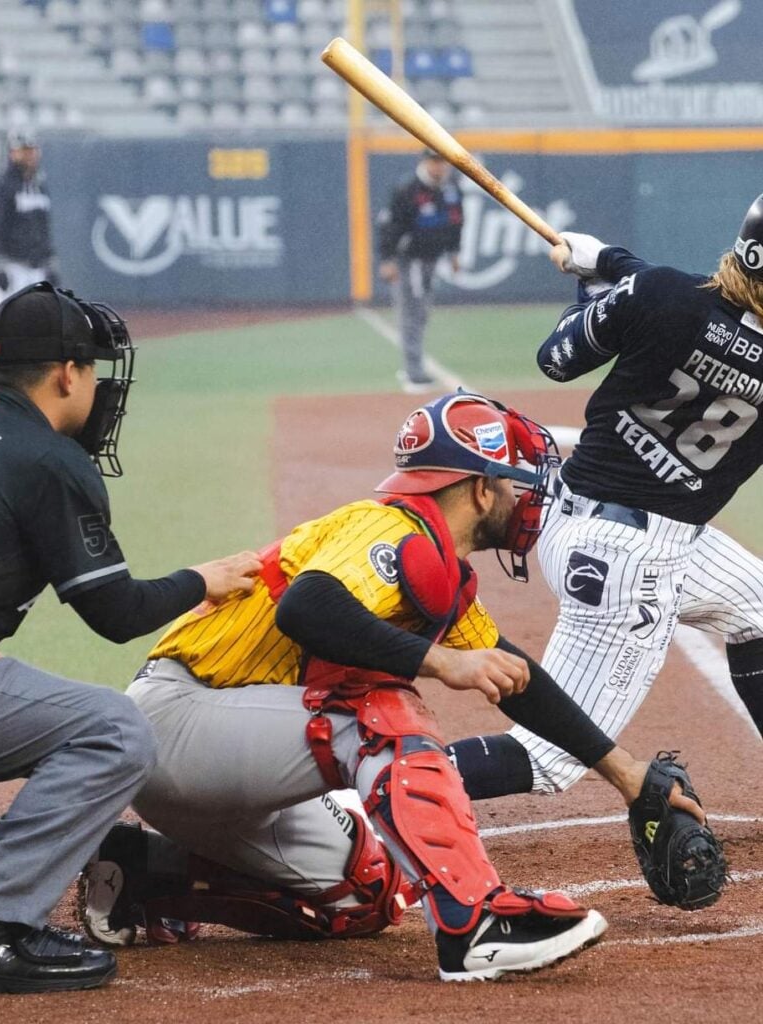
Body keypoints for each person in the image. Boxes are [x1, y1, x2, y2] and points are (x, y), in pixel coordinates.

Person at [78, 391, 684, 982]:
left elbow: (515, 676)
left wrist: (624, 774)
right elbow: (308, 608)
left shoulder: (438, 563)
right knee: (375, 707)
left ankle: (144, 874)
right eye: (512, 483)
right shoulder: (386, 528)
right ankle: (474, 924)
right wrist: (440, 661)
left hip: (231, 756)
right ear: (478, 487)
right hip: (179, 717)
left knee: (366, 893)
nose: (525, 500)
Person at [0, 281, 260, 994]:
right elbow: (114, 614)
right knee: (115, 731)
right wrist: (202, 579)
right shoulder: (49, 459)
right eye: (94, 372)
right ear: (68, 373)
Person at [448, 195, 763, 803]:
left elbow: (558, 359)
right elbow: (721, 332)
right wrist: (614, 267)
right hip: (632, 563)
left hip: (576, 519)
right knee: (550, 758)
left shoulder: (661, 293)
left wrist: (601, 286)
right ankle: (358, 796)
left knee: (757, 606)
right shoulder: (660, 292)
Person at [377, 149, 463, 394]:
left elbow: (457, 221)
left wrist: (454, 252)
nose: (439, 167)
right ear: (424, 162)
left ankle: (413, 369)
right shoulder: (408, 189)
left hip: (431, 259)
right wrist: (387, 258)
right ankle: (413, 372)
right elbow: (389, 225)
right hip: (409, 259)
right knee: (412, 314)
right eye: (434, 161)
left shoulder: (451, 189)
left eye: (442, 162)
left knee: (422, 313)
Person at [0, 130, 57, 310]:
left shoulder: (39, 186)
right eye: (24, 150)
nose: (30, 155)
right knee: (7, 325)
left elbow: (43, 227)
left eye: (32, 150)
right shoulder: (2, 186)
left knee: (39, 326)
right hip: (11, 265)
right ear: (13, 153)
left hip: (36, 267)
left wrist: (50, 260)